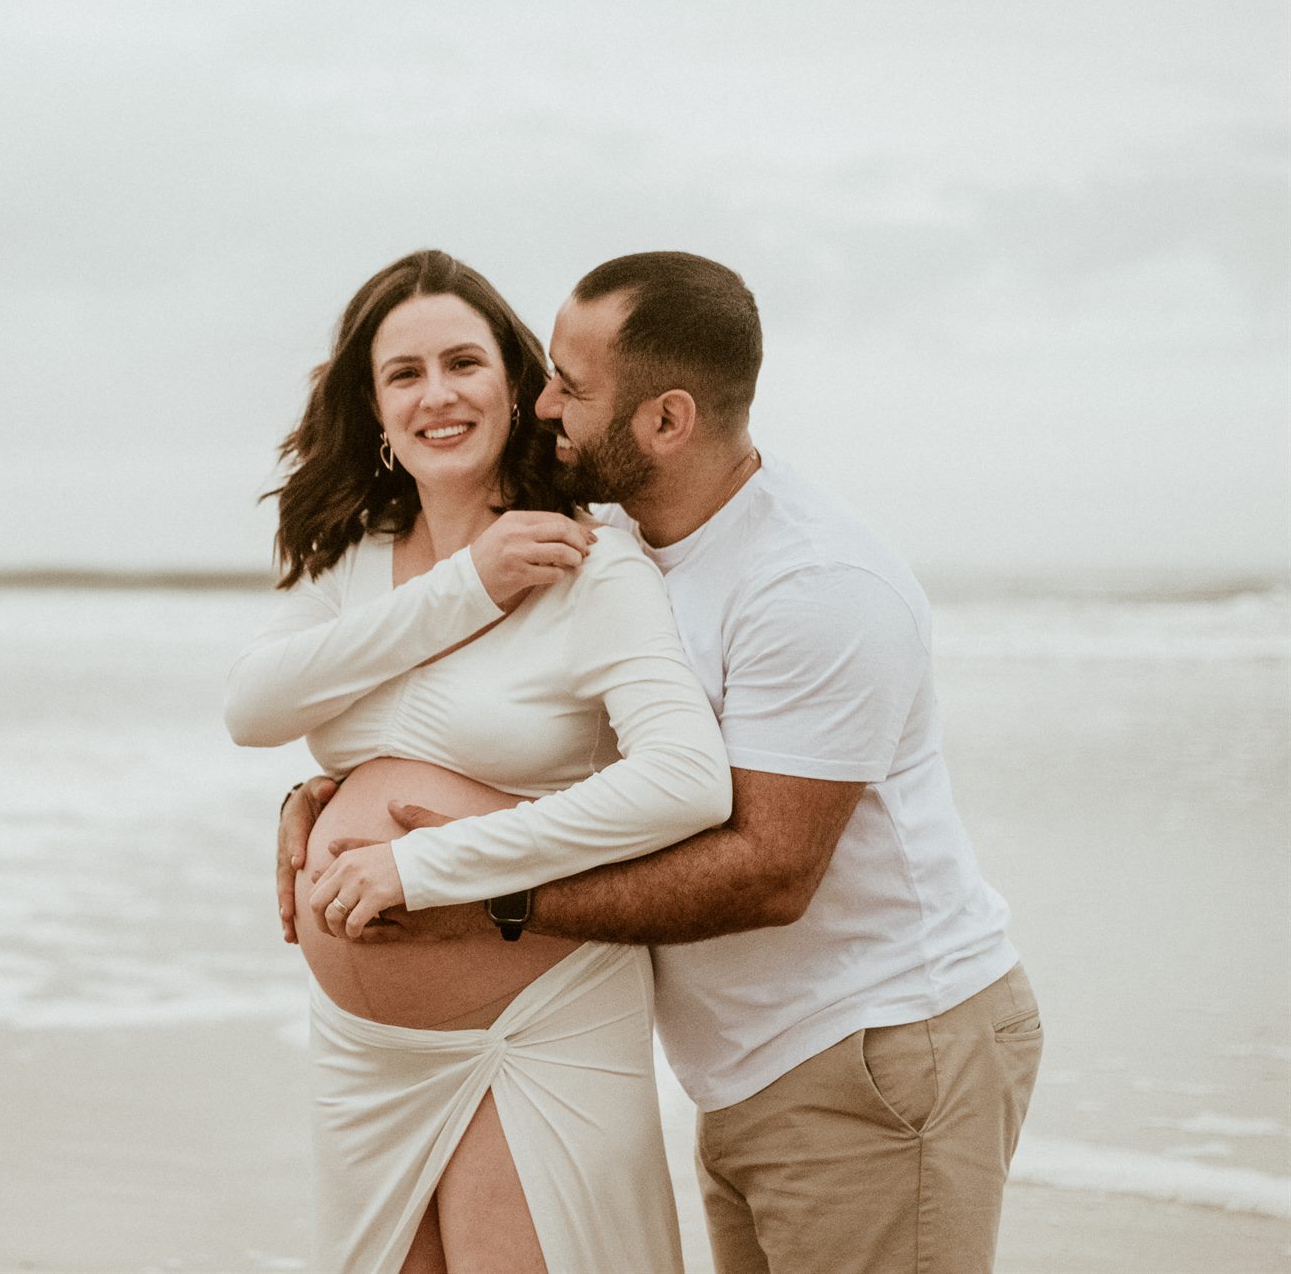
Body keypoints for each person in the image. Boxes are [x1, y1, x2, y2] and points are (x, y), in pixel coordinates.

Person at [283, 252, 1043, 1274]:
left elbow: (769, 870)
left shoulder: (812, 585)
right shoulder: (609, 552)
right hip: (748, 1064)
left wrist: (490, 899)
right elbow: (526, 735)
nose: (541, 401)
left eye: (572, 387)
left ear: (666, 421)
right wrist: (333, 797)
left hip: (877, 1047)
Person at [224, 249, 733, 1273]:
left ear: (515, 382)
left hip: (535, 1025)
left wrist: (420, 867)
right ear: (371, 409)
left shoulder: (589, 560)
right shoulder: (349, 558)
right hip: (367, 1052)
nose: (436, 394)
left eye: (463, 362)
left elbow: (687, 779)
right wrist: (467, 588)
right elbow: (254, 709)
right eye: (402, 374)